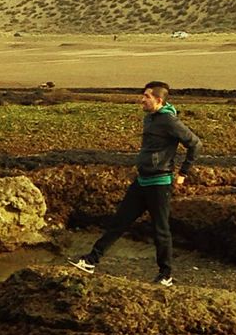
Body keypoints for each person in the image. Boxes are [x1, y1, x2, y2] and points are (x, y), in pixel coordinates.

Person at [72, 82, 201, 286]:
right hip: (142, 180)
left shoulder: (169, 121)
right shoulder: (149, 118)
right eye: (142, 95)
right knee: (119, 221)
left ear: (159, 100)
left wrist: (183, 173)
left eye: (147, 96)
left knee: (161, 229)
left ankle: (165, 275)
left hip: (159, 183)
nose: (142, 99)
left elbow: (195, 143)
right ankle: (91, 260)